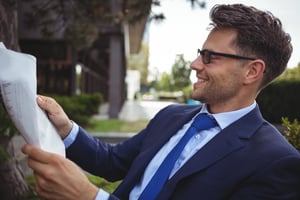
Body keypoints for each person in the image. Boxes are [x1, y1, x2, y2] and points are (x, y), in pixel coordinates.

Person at [22, 3, 300, 200]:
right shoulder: (171, 116)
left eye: (210, 57)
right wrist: (66, 128)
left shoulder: (277, 162)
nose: (194, 64)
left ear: (252, 71)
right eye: (199, 53)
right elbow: (111, 162)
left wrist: (89, 196)